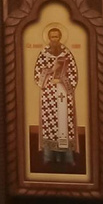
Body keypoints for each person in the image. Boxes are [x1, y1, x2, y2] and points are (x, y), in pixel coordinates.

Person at [31, 23, 81, 175]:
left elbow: (73, 74)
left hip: (64, 95)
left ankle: (66, 158)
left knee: (65, 126)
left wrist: (63, 80)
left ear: (60, 38)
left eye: (57, 36)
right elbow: (37, 76)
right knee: (50, 126)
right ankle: (49, 157)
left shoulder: (67, 54)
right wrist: (49, 74)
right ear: (49, 38)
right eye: (52, 37)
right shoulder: (43, 54)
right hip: (49, 96)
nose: (54, 39)